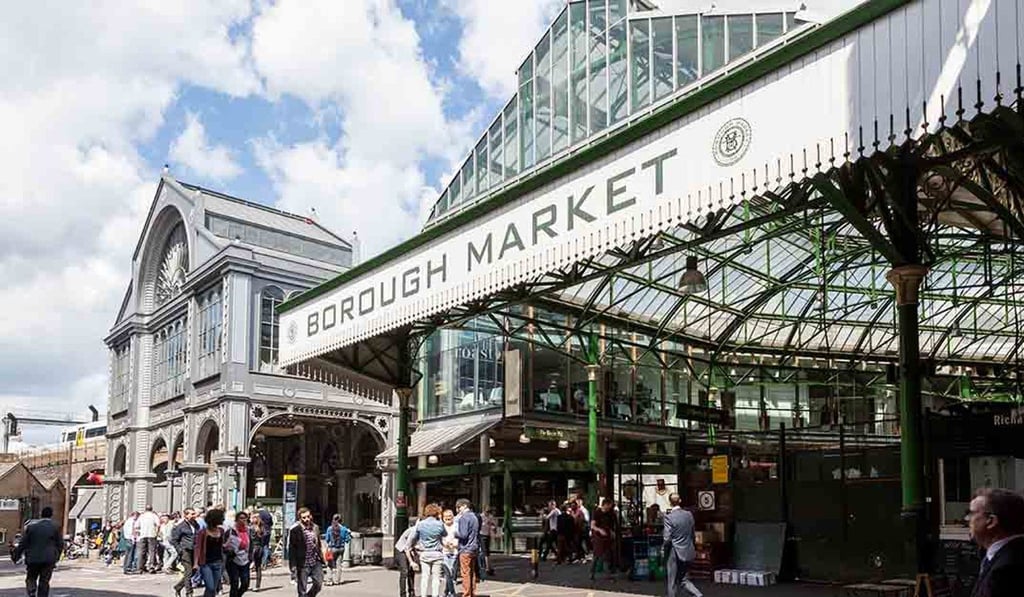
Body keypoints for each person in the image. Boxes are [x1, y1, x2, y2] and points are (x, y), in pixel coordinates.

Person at [966, 488, 1024, 597]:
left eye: (972, 514)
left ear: (991, 521)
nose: (968, 520)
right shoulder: (1000, 555)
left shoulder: (1006, 569)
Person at [12, 506, 62, 597]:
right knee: (44, 581)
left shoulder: (32, 527)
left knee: (31, 577)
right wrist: (57, 557)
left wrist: (16, 555)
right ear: (51, 515)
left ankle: (31, 591)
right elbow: (60, 544)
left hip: (33, 558)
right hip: (48, 559)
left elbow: (23, 543)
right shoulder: (55, 527)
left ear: (41, 515)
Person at [663, 493, 702, 597]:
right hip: (687, 550)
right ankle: (698, 595)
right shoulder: (689, 515)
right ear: (680, 500)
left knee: (672, 581)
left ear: (670, 503)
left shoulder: (669, 518)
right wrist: (694, 547)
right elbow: (693, 534)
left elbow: (667, 538)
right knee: (684, 579)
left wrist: (663, 550)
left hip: (674, 552)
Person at [287, 507, 324, 597]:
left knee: (318, 584)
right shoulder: (295, 531)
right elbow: (292, 549)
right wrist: (293, 566)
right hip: (302, 563)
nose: (307, 519)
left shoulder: (315, 527)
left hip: (315, 561)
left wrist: (322, 557)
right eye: (304, 517)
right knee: (302, 588)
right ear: (300, 518)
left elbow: (318, 543)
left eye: (308, 516)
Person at [414, 504, 446, 597]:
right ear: (436, 513)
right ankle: (435, 595)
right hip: (437, 553)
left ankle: (423, 595)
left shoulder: (421, 524)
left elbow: (415, 537)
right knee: (436, 578)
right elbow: (445, 534)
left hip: (425, 553)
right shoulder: (439, 524)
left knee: (425, 576)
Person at [193, 508, 227, 597]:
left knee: (213, 589)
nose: (223, 519)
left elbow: (222, 546)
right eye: (221, 517)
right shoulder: (203, 532)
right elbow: (198, 547)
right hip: (206, 563)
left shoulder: (221, 531)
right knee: (210, 587)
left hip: (218, 562)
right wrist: (196, 563)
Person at [453, 499, 481, 597]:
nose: (457, 510)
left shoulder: (464, 518)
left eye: (458, 507)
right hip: (474, 547)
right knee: (472, 572)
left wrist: (454, 533)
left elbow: (463, 534)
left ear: (464, 506)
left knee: (465, 573)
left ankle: (466, 594)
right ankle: (472, 592)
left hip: (465, 548)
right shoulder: (474, 517)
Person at [171, 508, 200, 597]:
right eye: (192, 514)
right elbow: (174, 540)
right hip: (185, 550)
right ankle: (189, 593)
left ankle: (178, 587)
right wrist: (179, 550)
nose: (194, 515)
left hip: (194, 550)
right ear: (186, 515)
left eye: (194, 514)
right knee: (189, 571)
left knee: (194, 571)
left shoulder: (195, 524)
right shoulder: (181, 526)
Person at [590, 498, 618, 582]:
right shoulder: (597, 513)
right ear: (604, 504)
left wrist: (613, 532)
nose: (609, 508)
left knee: (608, 555)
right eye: (608, 506)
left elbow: (614, 524)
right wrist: (599, 530)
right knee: (597, 555)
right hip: (598, 537)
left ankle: (609, 574)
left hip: (608, 536)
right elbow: (592, 526)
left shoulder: (611, 513)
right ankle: (592, 573)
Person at [225, 510, 251, 597]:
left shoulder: (248, 530)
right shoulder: (231, 531)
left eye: (245, 518)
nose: (243, 520)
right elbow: (224, 544)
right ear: (236, 520)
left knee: (245, 583)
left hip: (245, 559)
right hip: (233, 559)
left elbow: (251, 543)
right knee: (234, 582)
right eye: (241, 518)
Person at [323, 514, 350, 586]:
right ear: (341, 520)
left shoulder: (329, 528)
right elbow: (348, 540)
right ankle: (337, 580)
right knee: (339, 565)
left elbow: (327, 539)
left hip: (332, 548)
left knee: (330, 565)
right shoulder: (344, 529)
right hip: (341, 548)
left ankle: (329, 580)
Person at [394, 522, 418, 597]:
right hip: (401, 549)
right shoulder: (414, 531)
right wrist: (411, 562)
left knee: (411, 572)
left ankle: (411, 592)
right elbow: (407, 548)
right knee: (405, 571)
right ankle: (403, 594)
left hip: (409, 549)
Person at [136, 505, 161, 573]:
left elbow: (136, 526)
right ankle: (151, 567)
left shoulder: (142, 516)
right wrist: (157, 532)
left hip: (143, 535)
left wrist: (139, 532)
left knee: (141, 552)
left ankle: (140, 567)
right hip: (152, 534)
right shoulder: (154, 516)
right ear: (152, 509)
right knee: (152, 551)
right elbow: (158, 524)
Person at [441, 509, 459, 597]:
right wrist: (445, 544)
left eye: (450, 516)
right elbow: (440, 538)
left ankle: (446, 591)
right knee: (448, 573)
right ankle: (452, 593)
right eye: (446, 517)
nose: (448, 518)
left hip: (454, 551)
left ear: (453, 517)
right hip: (444, 552)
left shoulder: (456, 526)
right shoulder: (441, 526)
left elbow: (459, 537)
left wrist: (454, 544)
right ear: (443, 518)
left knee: (451, 573)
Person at [247, 515, 265, 592]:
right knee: (258, 567)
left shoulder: (250, 528)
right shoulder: (261, 528)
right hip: (260, 548)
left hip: (253, 548)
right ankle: (258, 586)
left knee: (246, 567)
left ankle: (246, 584)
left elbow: (249, 540)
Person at [478, 507, 498, 577]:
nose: (487, 513)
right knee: (485, 552)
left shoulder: (490, 517)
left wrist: (493, 527)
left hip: (487, 535)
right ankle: (487, 568)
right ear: (484, 511)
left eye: (489, 512)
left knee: (486, 551)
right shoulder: (480, 516)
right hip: (481, 535)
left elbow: (494, 525)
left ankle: (487, 567)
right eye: (487, 512)